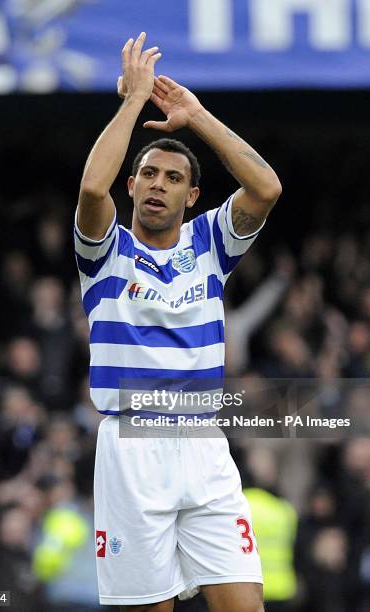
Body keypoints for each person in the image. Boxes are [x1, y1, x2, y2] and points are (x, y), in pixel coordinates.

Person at [73, 32, 282, 612]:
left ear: (192, 196)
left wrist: (196, 117)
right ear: (133, 185)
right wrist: (134, 101)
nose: (158, 186)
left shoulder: (210, 244)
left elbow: (266, 187)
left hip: (203, 445)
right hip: (131, 449)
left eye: (171, 179)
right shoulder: (105, 251)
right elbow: (92, 187)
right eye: (148, 175)